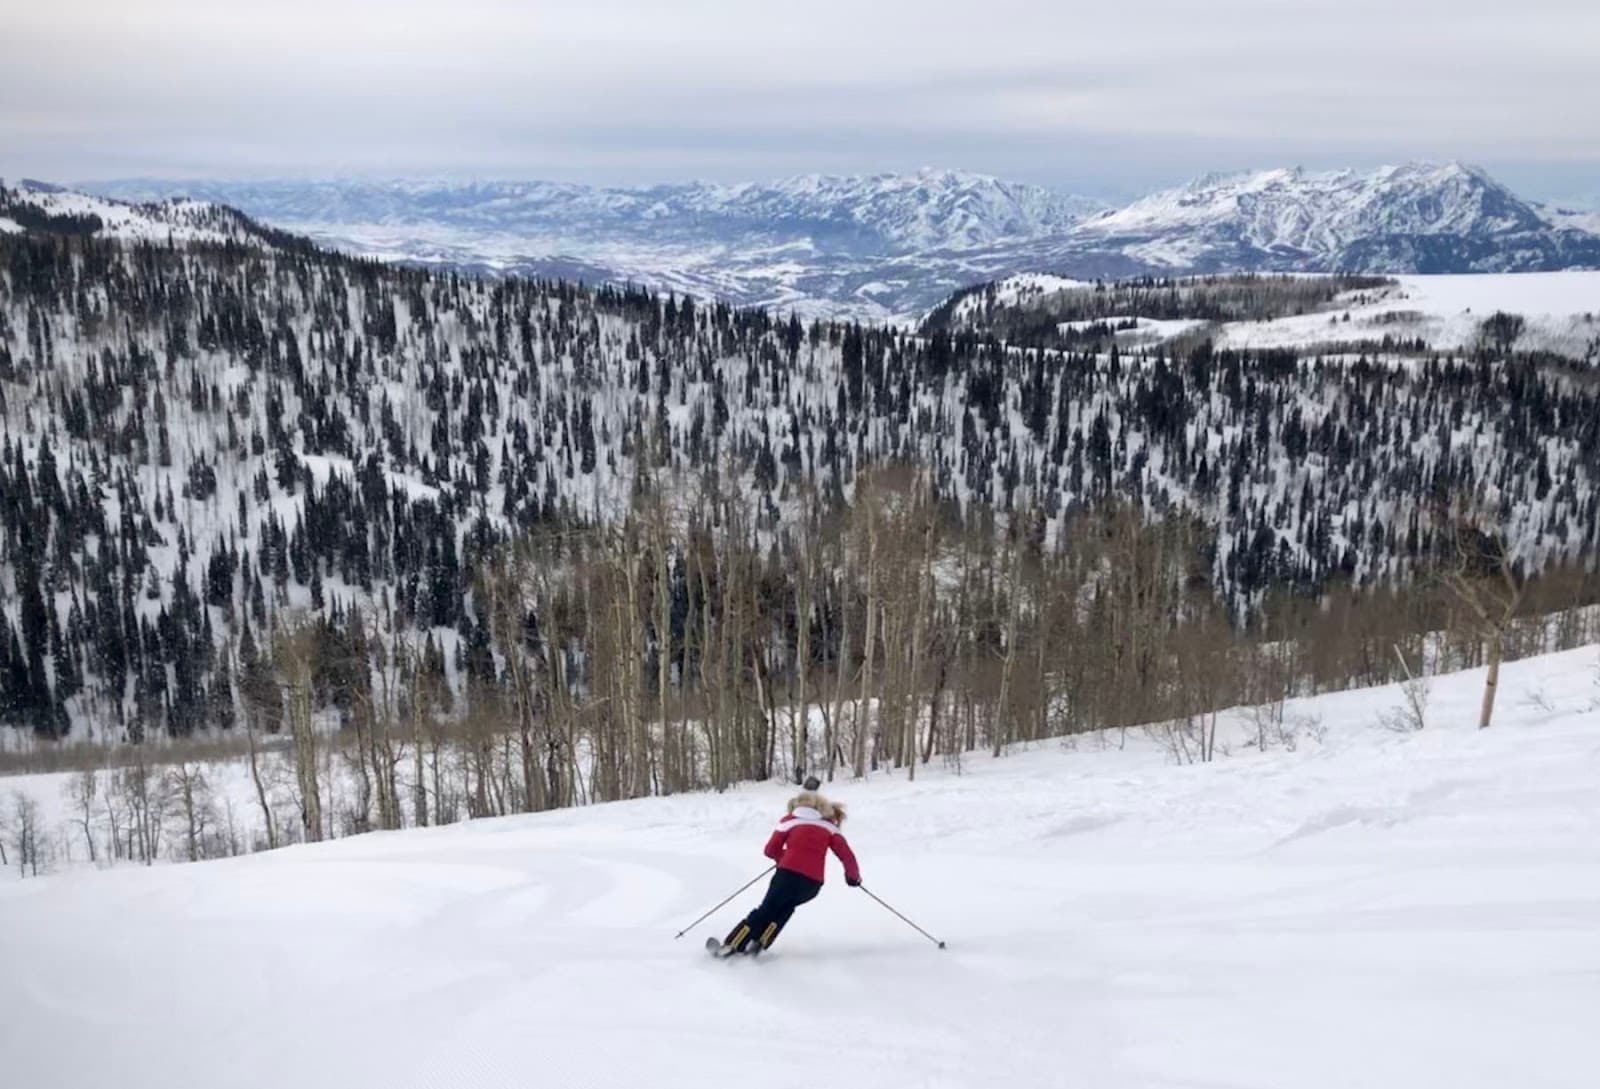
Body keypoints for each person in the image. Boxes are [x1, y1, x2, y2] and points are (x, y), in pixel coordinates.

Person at [715, 788, 861, 956]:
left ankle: (733, 944)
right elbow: (848, 856)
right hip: (812, 884)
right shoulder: (830, 827)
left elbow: (770, 850)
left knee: (766, 909)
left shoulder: (790, 821)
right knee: (785, 908)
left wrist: (783, 857)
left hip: (787, 876)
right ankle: (760, 942)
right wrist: (853, 878)